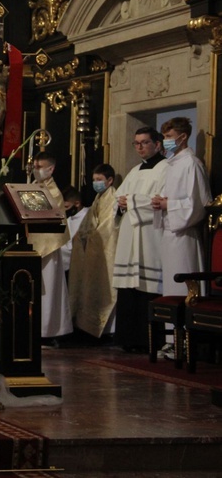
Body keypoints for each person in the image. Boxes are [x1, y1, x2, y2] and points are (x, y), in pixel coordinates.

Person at [113, 127, 167, 353]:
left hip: (150, 234)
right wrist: (122, 203)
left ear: (157, 143)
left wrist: (132, 201)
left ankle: (150, 341)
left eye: (144, 142)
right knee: (128, 288)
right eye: (136, 143)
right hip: (130, 233)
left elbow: (160, 201)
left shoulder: (166, 168)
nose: (140, 147)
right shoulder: (134, 170)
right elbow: (119, 198)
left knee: (147, 288)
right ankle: (129, 338)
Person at [152, 117, 212, 296]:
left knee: (182, 288)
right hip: (170, 233)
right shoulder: (172, 164)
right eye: (164, 136)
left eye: (169, 136)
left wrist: (167, 204)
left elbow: (199, 204)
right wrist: (159, 201)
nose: (165, 141)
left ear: (183, 136)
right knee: (170, 288)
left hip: (184, 235)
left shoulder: (191, 164)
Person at [69, 164, 119, 339]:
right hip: (91, 248)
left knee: (103, 289)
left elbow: (108, 227)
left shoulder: (112, 197)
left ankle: (108, 331)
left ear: (110, 180)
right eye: (94, 180)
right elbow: (89, 222)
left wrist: (92, 238)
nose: (95, 183)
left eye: (99, 180)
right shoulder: (99, 196)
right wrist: (81, 235)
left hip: (103, 252)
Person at [26, 151, 71, 342]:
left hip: (48, 248)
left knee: (50, 290)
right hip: (33, 245)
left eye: (39, 167)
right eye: (34, 167)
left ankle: (50, 331)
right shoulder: (33, 186)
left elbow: (53, 218)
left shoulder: (54, 192)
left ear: (50, 169)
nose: (36, 170)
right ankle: (33, 328)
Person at [60, 187, 88, 275]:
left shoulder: (87, 216)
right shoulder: (69, 219)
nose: (64, 210)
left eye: (66, 207)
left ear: (77, 203)